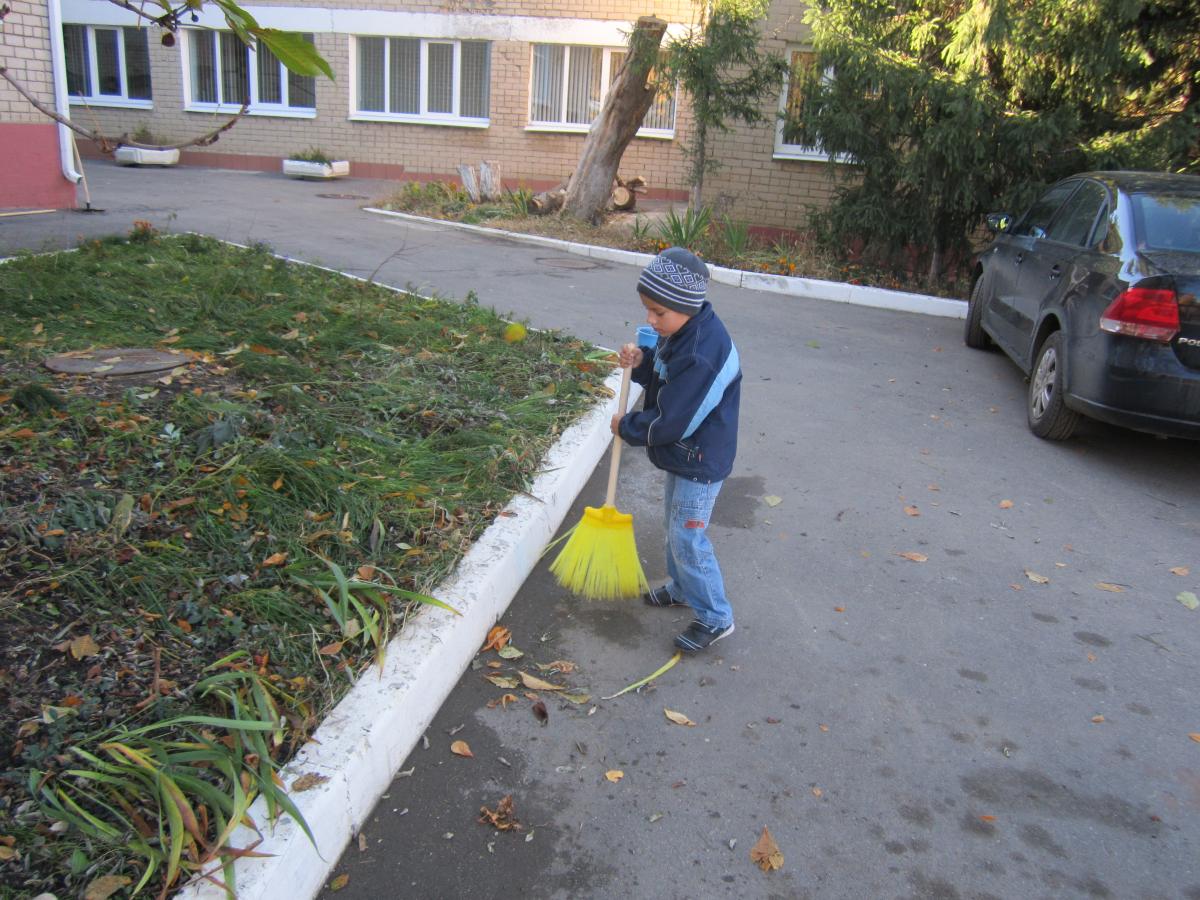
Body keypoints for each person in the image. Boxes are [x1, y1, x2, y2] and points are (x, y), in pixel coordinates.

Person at [610, 246, 742, 653]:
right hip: (686, 454)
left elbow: (674, 421)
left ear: (684, 306)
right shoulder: (681, 331)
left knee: (688, 538)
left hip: (700, 458)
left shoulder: (703, 351)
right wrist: (643, 361)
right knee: (674, 526)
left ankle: (716, 617)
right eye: (647, 309)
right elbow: (666, 374)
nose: (650, 319)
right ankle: (683, 588)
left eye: (658, 313)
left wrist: (627, 426)